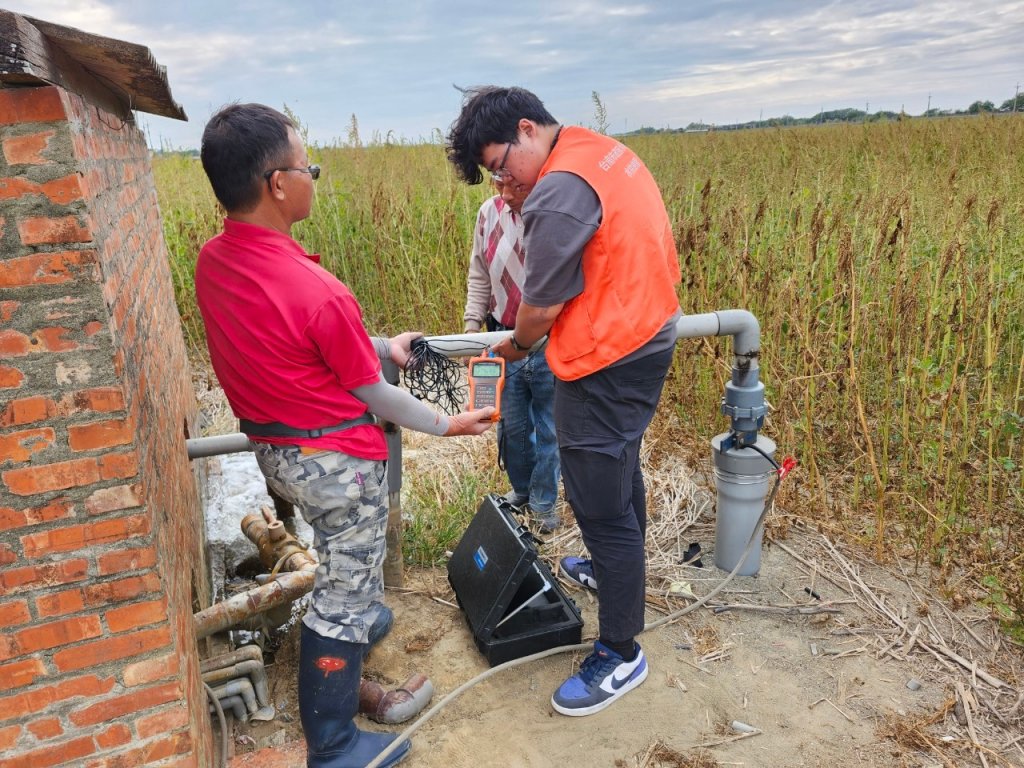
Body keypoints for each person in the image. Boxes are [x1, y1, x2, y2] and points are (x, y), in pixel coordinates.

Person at [196, 103, 494, 768]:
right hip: (335, 463)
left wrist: (378, 345)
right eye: (310, 167)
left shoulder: (216, 261)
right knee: (342, 597)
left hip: (277, 452)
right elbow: (377, 395)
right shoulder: (318, 289)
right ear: (278, 183)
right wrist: (449, 422)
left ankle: (352, 631)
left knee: (340, 572)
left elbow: (291, 342)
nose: (313, 177)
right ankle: (332, 744)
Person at [446, 87, 681, 717]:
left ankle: (621, 650)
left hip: (607, 358)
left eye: (500, 165)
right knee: (620, 468)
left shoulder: (555, 188)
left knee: (600, 505)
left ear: (527, 129)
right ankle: (613, 573)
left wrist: (514, 348)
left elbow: (539, 310)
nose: (502, 181)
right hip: (647, 333)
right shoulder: (599, 151)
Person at [463, 174, 561, 533]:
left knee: (551, 428)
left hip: (552, 340)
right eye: (498, 184)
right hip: (502, 337)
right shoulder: (489, 213)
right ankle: (522, 491)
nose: (505, 194)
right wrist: (471, 330)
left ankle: (544, 503)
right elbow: (479, 275)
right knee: (512, 424)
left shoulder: (554, 217)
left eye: (516, 186)